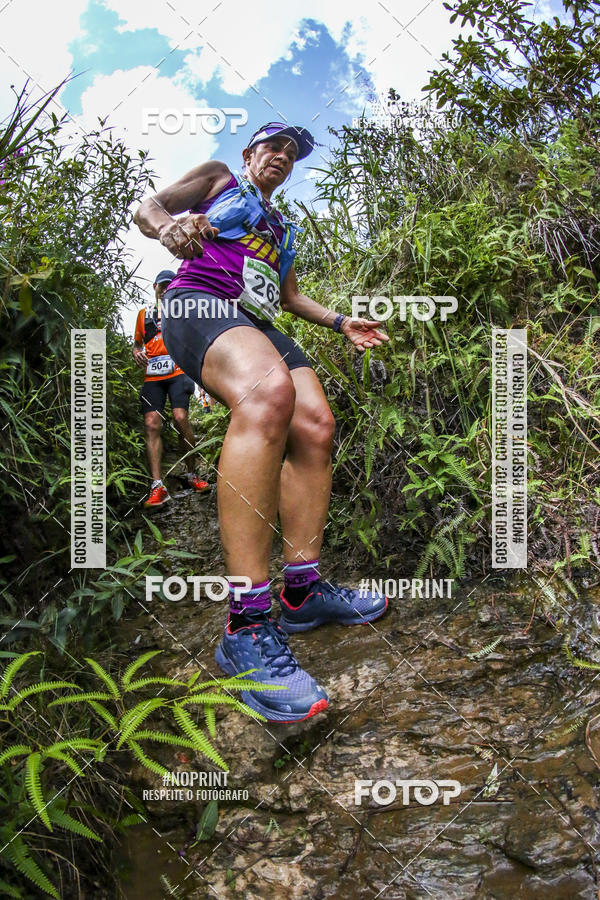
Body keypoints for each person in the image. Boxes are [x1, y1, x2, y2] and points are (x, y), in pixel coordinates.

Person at [133, 122, 389, 722]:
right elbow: (148, 207)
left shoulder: (282, 227)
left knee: (316, 425)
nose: (282, 156)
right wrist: (171, 227)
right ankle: (245, 625)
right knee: (268, 394)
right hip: (199, 302)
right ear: (251, 153)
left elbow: (290, 296)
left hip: (261, 321)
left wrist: (339, 322)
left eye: (292, 152)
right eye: (272, 145)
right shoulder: (221, 179)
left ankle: (300, 590)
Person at [133, 270, 210, 508]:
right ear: (155, 286)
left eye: (170, 285)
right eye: (162, 286)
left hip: (179, 373)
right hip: (153, 376)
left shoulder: (183, 312)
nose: (165, 289)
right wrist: (137, 353)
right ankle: (158, 486)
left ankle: (192, 474)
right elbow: (136, 345)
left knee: (180, 417)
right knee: (151, 423)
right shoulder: (144, 315)